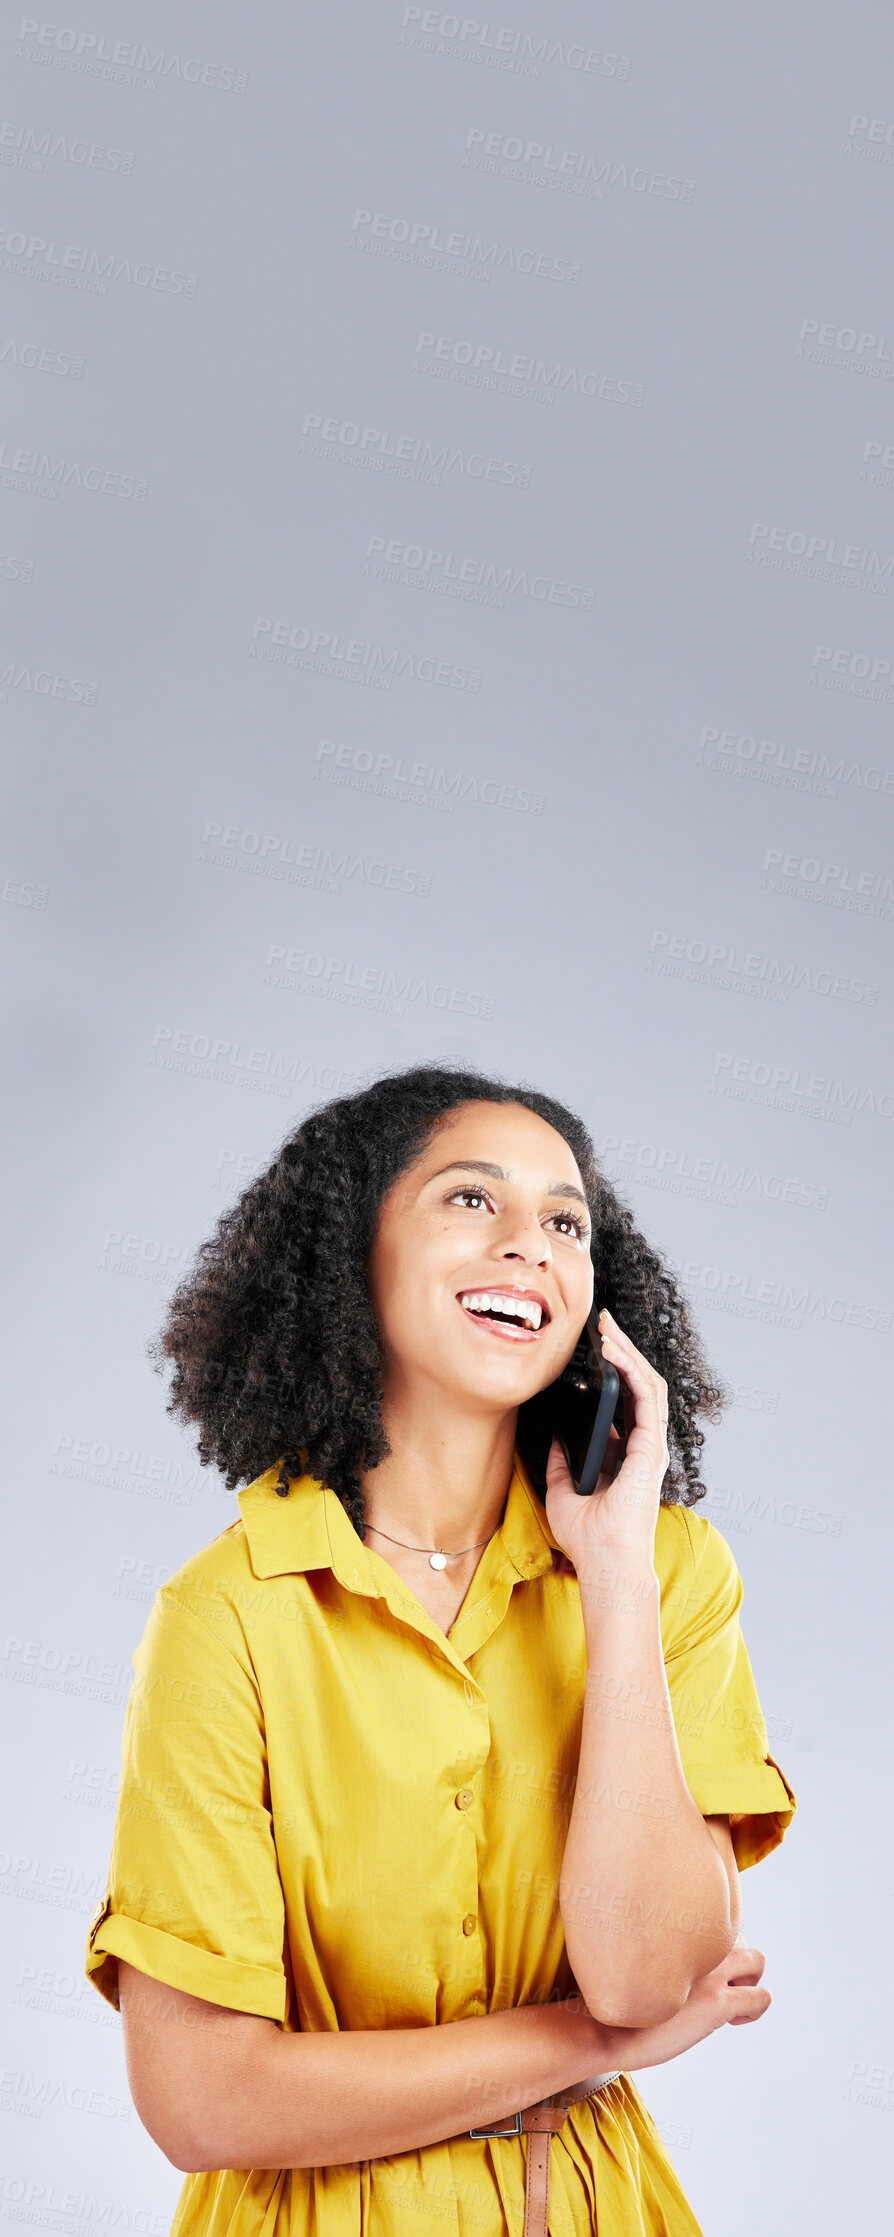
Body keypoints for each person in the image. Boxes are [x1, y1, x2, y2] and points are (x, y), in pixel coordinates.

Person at [84, 1062, 796, 2236]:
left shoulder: (667, 1571)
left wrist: (612, 1573)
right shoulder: (231, 1612)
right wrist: (593, 2041)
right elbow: (203, 2098)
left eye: (566, 1220)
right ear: (349, 1257)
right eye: (473, 1200)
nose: (532, 1245)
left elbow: (646, 1969)